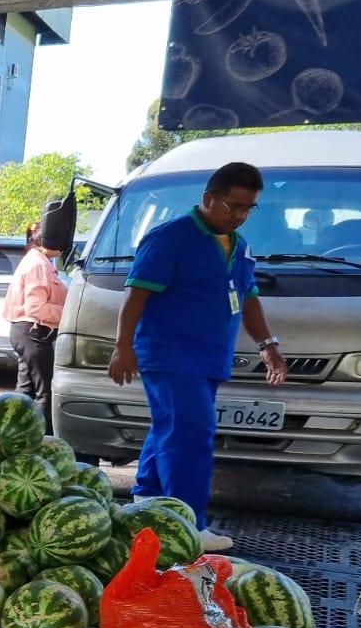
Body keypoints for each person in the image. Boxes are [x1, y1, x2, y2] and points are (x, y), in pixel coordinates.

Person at [108, 161, 288, 552]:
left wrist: (268, 345)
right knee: (192, 436)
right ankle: (191, 524)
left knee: (170, 428)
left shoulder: (238, 246)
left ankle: (149, 497)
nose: (239, 216)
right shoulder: (170, 237)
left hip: (209, 359)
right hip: (171, 356)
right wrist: (123, 346)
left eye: (247, 209)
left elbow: (249, 298)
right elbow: (136, 294)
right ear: (208, 198)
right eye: (232, 206)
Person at [2, 219, 68, 431]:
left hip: (28, 333)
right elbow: (35, 308)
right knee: (44, 392)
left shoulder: (40, 261)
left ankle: (12, 432)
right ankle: (43, 439)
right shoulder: (38, 265)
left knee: (25, 390)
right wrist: (68, 313)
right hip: (32, 333)